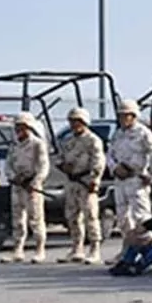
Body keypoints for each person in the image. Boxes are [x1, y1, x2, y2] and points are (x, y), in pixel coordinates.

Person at [106, 99, 152, 265]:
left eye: (126, 115)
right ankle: (127, 251)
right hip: (120, 181)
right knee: (123, 218)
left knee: (142, 217)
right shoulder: (118, 134)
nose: (123, 118)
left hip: (137, 180)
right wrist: (114, 168)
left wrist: (150, 174)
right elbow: (110, 154)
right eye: (121, 115)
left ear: (134, 116)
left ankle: (149, 251)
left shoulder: (143, 133)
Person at [55, 107, 106, 264]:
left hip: (86, 181)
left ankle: (95, 249)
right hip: (72, 182)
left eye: (77, 121)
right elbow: (59, 158)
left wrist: (94, 180)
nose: (74, 124)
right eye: (72, 121)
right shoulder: (67, 141)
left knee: (90, 215)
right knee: (72, 216)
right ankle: (77, 248)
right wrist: (63, 166)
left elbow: (98, 162)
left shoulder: (93, 140)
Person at [0, 112, 49, 264]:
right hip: (17, 186)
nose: (19, 130)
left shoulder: (37, 144)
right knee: (18, 219)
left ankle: (39, 249)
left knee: (36, 219)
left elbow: (43, 166)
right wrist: (13, 176)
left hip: (31, 186)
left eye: (23, 127)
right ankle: (17, 250)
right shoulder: (14, 145)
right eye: (17, 127)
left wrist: (35, 182)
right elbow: (8, 164)